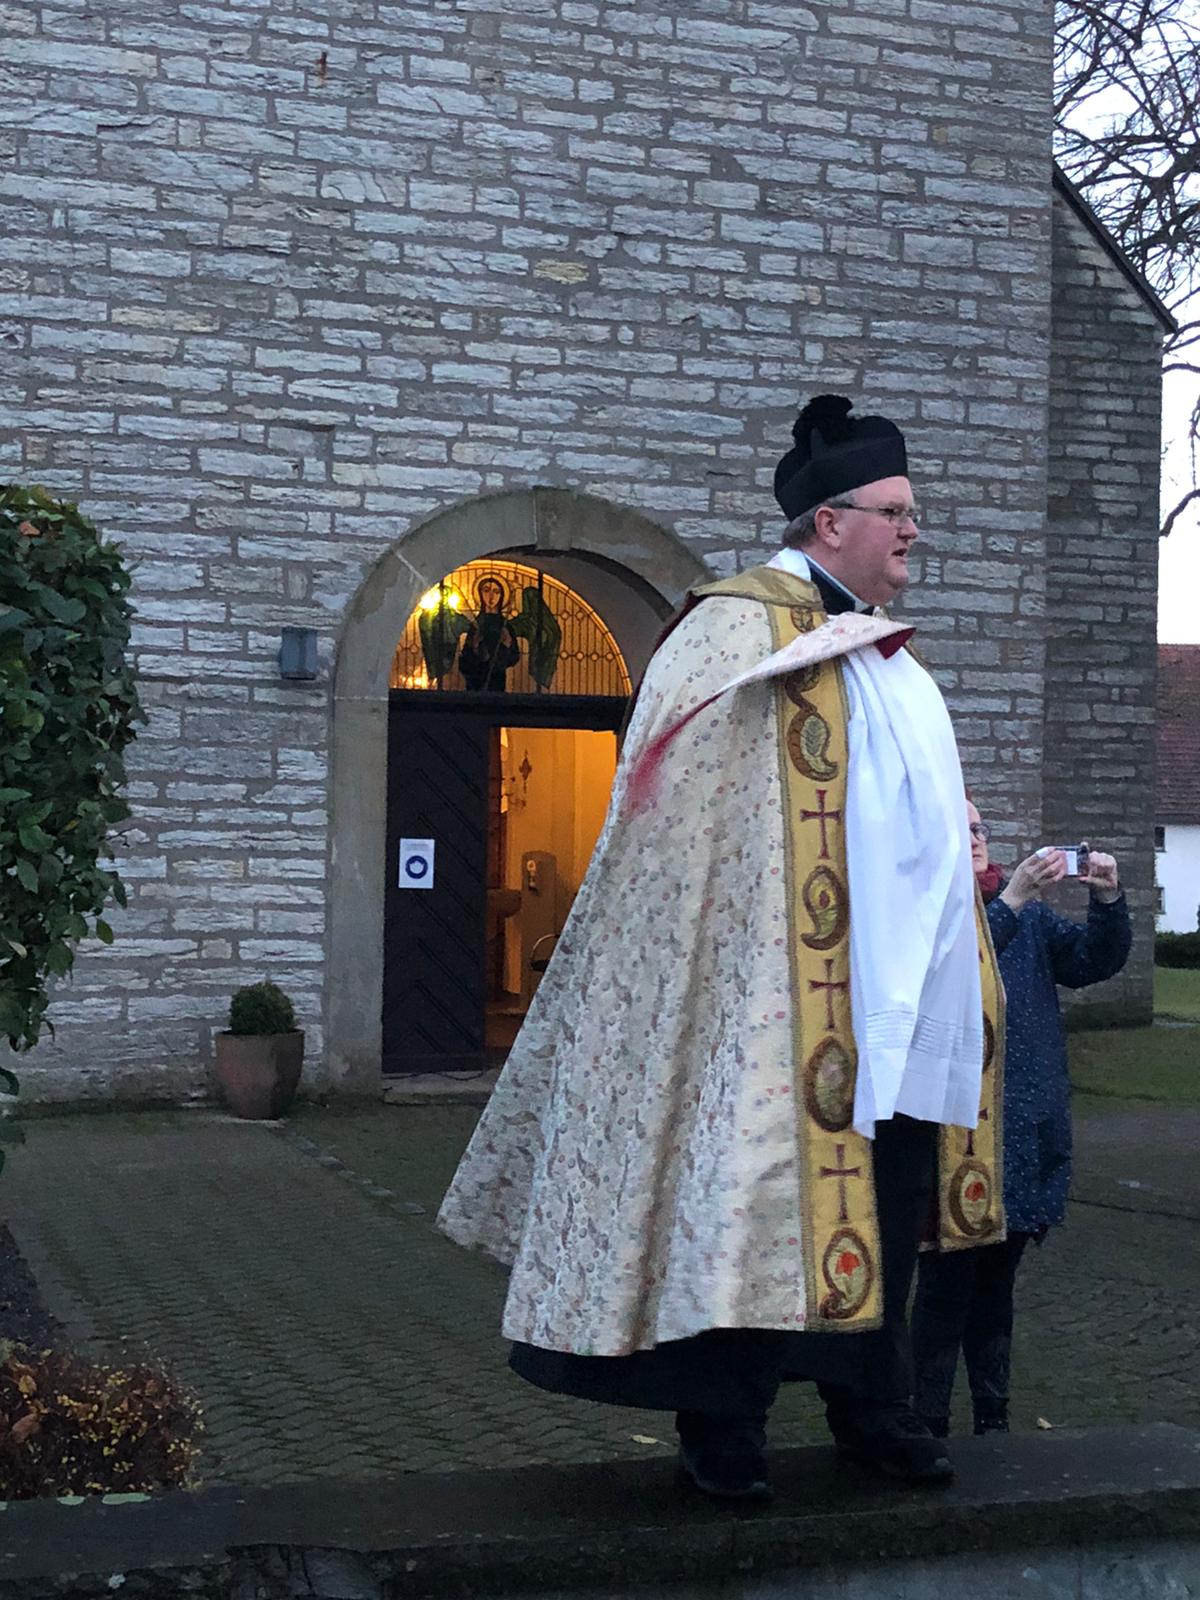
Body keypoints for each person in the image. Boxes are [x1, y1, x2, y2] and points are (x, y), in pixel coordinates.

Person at [438, 394, 1005, 1501]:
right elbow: (682, 825)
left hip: (892, 997)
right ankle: (723, 1425)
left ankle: (873, 1410)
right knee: (741, 1199)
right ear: (828, 521)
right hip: (771, 988)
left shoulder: (897, 663)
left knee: (883, 1203)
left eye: (913, 513)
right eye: (895, 511)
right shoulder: (731, 633)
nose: (914, 530)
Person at [910, 802, 1130, 1438]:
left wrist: (1108, 901)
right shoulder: (927, 909)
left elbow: (1090, 962)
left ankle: (993, 1417)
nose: (975, 837)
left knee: (995, 1287)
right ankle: (924, 1420)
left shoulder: (1027, 915)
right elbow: (957, 968)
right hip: (954, 1136)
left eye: (979, 827)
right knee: (945, 1288)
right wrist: (1010, 900)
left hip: (1022, 1130)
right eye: (960, 827)